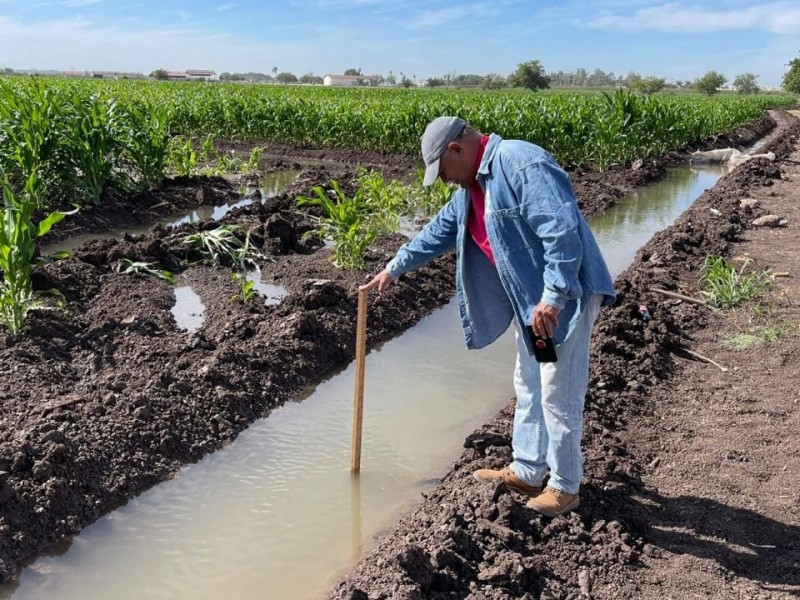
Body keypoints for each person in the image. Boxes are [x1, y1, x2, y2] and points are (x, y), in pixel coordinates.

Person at [360, 116, 616, 517]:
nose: (445, 181)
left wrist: (554, 296)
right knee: (529, 380)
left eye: (442, 171)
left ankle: (566, 487)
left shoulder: (520, 163)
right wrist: (395, 266)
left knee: (556, 390)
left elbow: (560, 231)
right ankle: (529, 469)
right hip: (531, 304)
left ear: (457, 150)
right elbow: (439, 230)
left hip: (560, 300)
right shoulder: (472, 187)